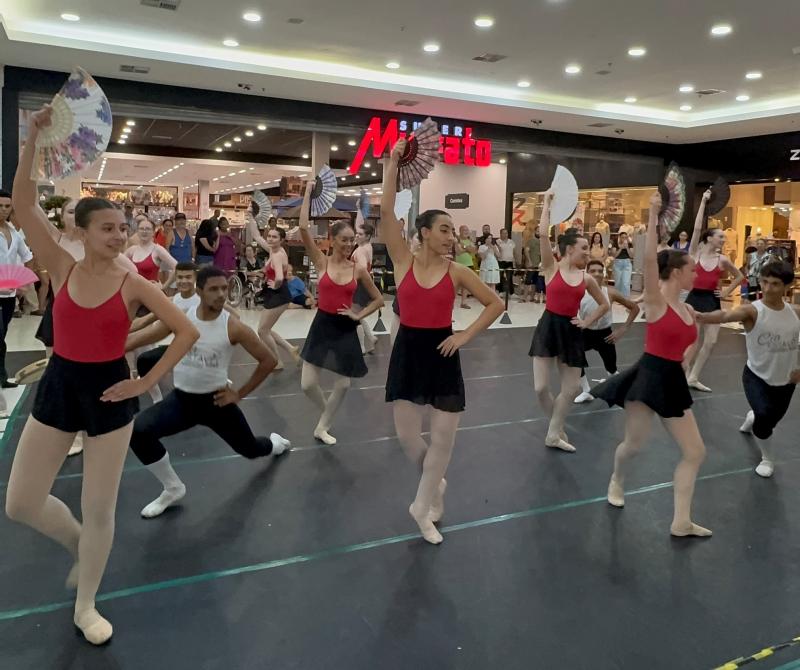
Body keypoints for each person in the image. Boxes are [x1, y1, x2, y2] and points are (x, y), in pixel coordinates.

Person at [6, 104, 198, 645]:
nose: (119, 236)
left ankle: (87, 602)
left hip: (111, 392)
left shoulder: (135, 283)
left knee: (100, 506)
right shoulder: (62, 265)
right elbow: (22, 201)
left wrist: (143, 382)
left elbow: (183, 331)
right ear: (82, 231)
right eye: (109, 228)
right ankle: (75, 544)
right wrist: (33, 138)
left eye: (123, 228)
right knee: (20, 501)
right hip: (62, 383)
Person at [381, 138, 504, 544]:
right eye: (446, 229)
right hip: (408, 352)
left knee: (444, 438)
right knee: (407, 438)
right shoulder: (403, 262)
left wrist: (464, 335)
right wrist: (391, 165)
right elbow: (385, 213)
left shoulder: (457, 271)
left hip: (442, 351)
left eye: (453, 230)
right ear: (425, 233)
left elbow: (495, 304)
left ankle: (421, 505)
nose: (452, 236)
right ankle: (436, 485)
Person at [127, 265, 291, 518]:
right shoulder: (183, 318)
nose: (221, 294)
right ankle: (172, 488)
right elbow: (147, 334)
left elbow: (268, 361)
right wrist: (113, 345)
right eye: (214, 289)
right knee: (139, 431)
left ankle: (275, 444)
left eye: (224, 288)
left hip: (217, 404)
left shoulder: (233, 327)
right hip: (182, 401)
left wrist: (239, 393)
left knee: (250, 449)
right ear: (200, 291)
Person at [591, 192, 710, 538]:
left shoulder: (688, 309)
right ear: (674, 273)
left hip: (672, 379)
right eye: (691, 269)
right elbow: (648, 260)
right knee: (634, 445)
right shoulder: (657, 301)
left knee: (695, 452)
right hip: (648, 377)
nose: (696, 272)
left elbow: (686, 346)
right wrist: (653, 213)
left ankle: (681, 521)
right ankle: (617, 478)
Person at [697, 260, 799, 478]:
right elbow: (725, 316)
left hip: (786, 381)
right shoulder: (753, 311)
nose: (768, 288)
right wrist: (701, 316)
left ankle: (753, 416)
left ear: (787, 287)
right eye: (764, 282)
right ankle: (767, 458)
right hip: (756, 377)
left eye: (775, 284)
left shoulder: (795, 312)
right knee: (764, 422)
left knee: (769, 418)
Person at [298, 185, 383, 444]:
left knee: (344, 384)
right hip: (322, 324)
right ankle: (326, 412)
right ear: (332, 239)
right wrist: (307, 194)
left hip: (345, 327)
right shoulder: (321, 261)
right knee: (307, 384)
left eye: (351, 239)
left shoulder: (358, 269)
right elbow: (303, 229)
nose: (348, 244)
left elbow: (379, 299)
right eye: (343, 239)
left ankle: (322, 427)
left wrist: (359, 315)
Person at [530, 193, 609, 453]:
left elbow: (604, 304)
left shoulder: (587, 278)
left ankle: (553, 433)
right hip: (549, 326)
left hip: (572, 329)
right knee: (541, 387)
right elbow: (543, 235)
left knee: (571, 387)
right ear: (569, 249)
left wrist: (586, 322)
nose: (588, 252)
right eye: (584, 248)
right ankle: (556, 424)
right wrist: (547, 205)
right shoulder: (551, 267)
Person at [685, 191, 746, 392]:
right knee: (692, 341)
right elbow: (695, 229)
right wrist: (702, 200)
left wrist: (727, 290)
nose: (723, 239)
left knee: (710, 342)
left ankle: (693, 377)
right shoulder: (695, 254)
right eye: (720, 237)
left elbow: (739, 276)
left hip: (712, 300)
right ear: (709, 238)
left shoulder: (723, 260)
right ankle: (683, 375)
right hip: (694, 299)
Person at [574, 259, 640, 403]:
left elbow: (635, 308)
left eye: (600, 271)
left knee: (611, 368)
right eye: (593, 271)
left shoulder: (610, 292)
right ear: (586, 273)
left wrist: (623, 329)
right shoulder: (579, 292)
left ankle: (619, 387)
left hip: (605, 335)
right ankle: (586, 391)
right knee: (576, 357)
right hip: (585, 333)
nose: (597, 274)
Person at [245, 212, 300, 369]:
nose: (270, 239)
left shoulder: (276, 255)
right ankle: (291, 349)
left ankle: (277, 361)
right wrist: (251, 217)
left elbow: (279, 277)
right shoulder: (275, 250)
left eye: (274, 237)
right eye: (269, 236)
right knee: (266, 329)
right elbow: (256, 235)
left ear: (282, 240)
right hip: (277, 294)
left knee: (262, 330)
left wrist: (275, 284)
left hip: (279, 294)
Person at [0, 189, 34, 388]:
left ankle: (2, 377)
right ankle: (2, 376)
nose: (4, 210)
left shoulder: (14, 233)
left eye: (7, 206)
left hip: (9, 293)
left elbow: (28, 257)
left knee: (2, 336)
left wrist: (24, 283)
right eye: (0, 206)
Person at [125, 216, 178, 285]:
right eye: (141, 229)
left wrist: (164, 286)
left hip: (152, 292)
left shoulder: (157, 249)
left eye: (148, 229)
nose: (144, 231)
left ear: (153, 232)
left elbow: (177, 267)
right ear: (137, 232)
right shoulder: (131, 250)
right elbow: (116, 265)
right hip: (134, 292)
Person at [352, 219, 378, 354]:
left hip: (360, 285)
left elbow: (362, 268)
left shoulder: (362, 250)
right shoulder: (367, 247)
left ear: (367, 236)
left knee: (356, 316)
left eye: (360, 234)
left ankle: (362, 346)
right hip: (364, 284)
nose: (357, 236)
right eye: (357, 233)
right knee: (359, 315)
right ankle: (371, 338)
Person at [454, 226, 476, 308]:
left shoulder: (469, 240)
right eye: (464, 230)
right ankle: (451, 302)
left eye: (467, 230)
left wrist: (464, 247)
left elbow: (473, 250)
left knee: (466, 285)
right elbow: (458, 252)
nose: (466, 232)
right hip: (459, 264)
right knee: (456, 285)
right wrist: (468, 249)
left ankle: (463, 302)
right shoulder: (457, 241)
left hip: (469, 264)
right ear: (460, 231)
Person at [744, 238, 771, 302]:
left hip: (763, 278)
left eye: (761, 244)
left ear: (765, 245)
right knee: (752, 296)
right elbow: (747, 267)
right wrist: (747, 275)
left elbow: (771, 268)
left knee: (762, 296)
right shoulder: (751, 255)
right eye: (758, 244)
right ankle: (752, 310)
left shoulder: (769, 256)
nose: (759, 245)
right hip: (752, 278)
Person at [611, 231, 634, 298]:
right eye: (622, 237)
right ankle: (618, 297)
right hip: (618, 263)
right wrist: (621, 248)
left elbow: (632, 255)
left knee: (626, 282)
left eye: (625, 237)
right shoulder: (615, 244)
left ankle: (625, 298)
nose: (624, 239)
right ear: (619, 238)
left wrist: (627, 248)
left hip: (627, 263)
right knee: (618, 282)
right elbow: (614, 255)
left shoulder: (630, 244)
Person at [496, 228, 516, 295]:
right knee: (500, 277)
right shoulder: (497, 242)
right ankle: (500, 291)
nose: (505, 234)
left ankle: (511, 293)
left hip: (509, 262)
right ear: (500, 234)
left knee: (509, 277)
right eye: (503, 233)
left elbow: (513, 252)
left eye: (506, 233)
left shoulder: (511, 242)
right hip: (501, 262)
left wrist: (514, 262)